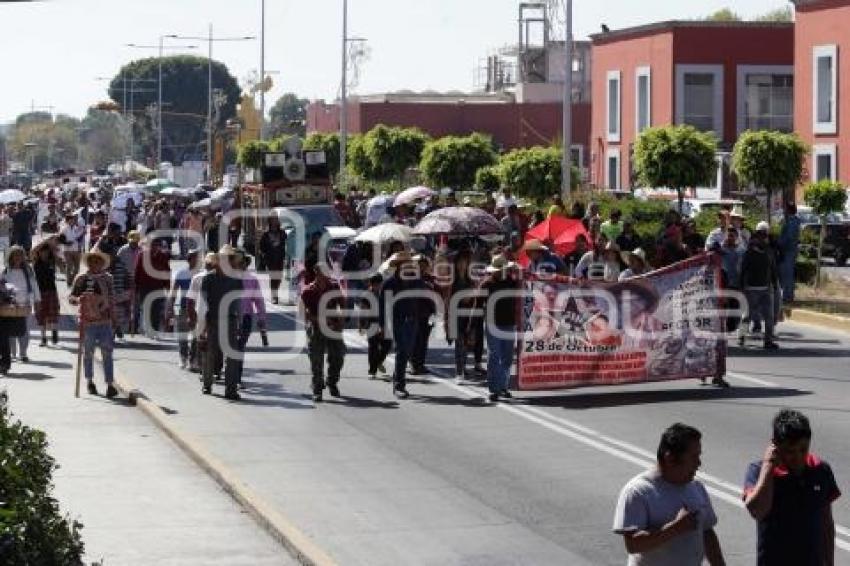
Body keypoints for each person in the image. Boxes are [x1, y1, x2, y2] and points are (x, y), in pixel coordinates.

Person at [613, 423, 725, 566]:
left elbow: (707, 532)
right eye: (693, 457)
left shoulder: (696, 488)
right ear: (670, 458)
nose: (699, 463)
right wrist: (675, 528)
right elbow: (633, 544)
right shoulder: (638, 491)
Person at [743, 409, 840, 566]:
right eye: (790, 451)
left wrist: (829, 562)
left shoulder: (821, 470)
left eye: (803, 449)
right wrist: (768, 468)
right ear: (775, 445)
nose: (798, 457)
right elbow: (757, 510)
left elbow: (826, 523)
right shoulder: (758, 470)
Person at [68, 250, 118, 398]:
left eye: (98, 261)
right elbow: (71, 296)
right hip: (88, 322)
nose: (95, 263)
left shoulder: (108, 279)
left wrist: (114, 317)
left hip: (105, 321)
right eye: (93, 261)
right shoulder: (81, 278)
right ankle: (90, 381)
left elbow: (112, 298)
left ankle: (109, 384)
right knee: (88, 353)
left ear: (102, 263)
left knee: (107, 353)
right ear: (89, 262)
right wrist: (78, 300)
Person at [198, 245, 243, 400]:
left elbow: (238, 302)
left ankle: (230, 389)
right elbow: (202, 302)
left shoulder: (236, 279)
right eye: (224, 258)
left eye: (229, 258)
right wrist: (202, 325)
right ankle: (207, 384)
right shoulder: (208, 278)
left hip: (230, 320)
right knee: (209, 353)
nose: (227, 261)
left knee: (232, 356)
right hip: (212, 320)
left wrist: (239, 322)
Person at [379, 251, 425, 398]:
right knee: (402, 350)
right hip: (396, 320)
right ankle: (399, 384)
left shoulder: (416, 280)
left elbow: (423, 295)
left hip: (413, 320)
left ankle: (397, 377)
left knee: (407, 351)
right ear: (398, 266)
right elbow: (382, 306)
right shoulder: (389, 283)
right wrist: (382, 324)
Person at [300, 261, 346, 402]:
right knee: (316, 359)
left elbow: (342, 304)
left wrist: (341, 320)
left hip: (333, 326)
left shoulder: (333, 287)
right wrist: (319, 321)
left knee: (338, 355)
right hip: (316, 327)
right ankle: (317, 388)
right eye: (323, 272)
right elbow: (305, 313)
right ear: (317, 272)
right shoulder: (308, 291)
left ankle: (332, 382)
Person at [480, 255, 520, 402]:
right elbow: (477, 303)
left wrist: (518, 271)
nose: (499, 272)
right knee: (494, 356)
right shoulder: (487, 284)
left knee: (507, 357)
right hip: (492, 323)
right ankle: (494, 389)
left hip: (509, 323)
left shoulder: (513, 282)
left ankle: (503, 386)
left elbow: (526, 285)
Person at [739, 223, 779, 350]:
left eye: (764, 236)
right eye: (760, 236)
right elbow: (743, 270)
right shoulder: (749, 252)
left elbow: (772, 268)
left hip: (766, 289)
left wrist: (775, 283)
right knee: (747, 316)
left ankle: (768, 341)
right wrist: (741, 286)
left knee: (769, 316)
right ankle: (742, 337)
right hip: (751, 289)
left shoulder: (769, 251)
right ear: (756, 238)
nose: (763, 239)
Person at [447, 250, 484, 383]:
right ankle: (459, 372)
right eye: (460, 262)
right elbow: (449, 298)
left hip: (470, 314)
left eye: (465, 262)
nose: (462, 265)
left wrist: (473, 294)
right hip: (456, 313)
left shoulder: (471, 279)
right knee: (459, 342)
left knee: (468, 342)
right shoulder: (453, 279)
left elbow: (477, 294)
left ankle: (462, 367)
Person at [235, 250, 267, 387]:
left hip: (245, 318)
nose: (240, 264)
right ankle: (226, 371)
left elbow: (259, 301)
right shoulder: (226, 277)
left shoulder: (252, 280)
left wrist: (261, 318)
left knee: (239, 348)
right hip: (228, 317)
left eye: (242, 262)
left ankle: (236, 377)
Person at [3, 246, 40, 364]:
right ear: (11, 257)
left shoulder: (28, 271)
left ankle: (23, 353)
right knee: (10, 331)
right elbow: (2, 288)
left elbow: (35, 286)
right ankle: (12, 354)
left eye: (20, 255)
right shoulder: (6, 272)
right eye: (16, 255)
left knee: (24, 330)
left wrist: (37, 300)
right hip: (10, 306)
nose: (18, 258)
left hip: (25, 305)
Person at [167, 249, 203, 369]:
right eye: (196, 258)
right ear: (190, 259)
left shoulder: (201, 274)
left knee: (195, 335)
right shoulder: (182, 273)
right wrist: (170, 307)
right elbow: (174, 291)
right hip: (183, 307)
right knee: (182, 334)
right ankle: (183, 357)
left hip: (197, 308)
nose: (199, 260)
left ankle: (193, 360)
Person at [410, 254, 436, 375]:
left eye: (423, 265)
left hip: (427, 313)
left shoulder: (429, 279)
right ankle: (413, 364)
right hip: (413, 313)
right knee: (414, 340)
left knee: (423, 340)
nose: (421, 267)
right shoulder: (410, 279)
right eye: (419, 265)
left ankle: (420, 364)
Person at [32, 240, 61, 346]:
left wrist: (51, 246)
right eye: (42, 252)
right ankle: (43, 338)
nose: (45, 253)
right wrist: (45, 242)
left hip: (52, 290)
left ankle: (54, 333)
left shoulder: (52, 261)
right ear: (39, 253)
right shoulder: (35, 262)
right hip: (39, 292)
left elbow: (58, 255)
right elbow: (33, 251)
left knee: (53, 313)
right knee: (40, 315)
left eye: (46, 252)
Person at [364, 274, 390, 380]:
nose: (378, 286)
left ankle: (379, 362)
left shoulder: (385, 294)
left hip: (384, 323)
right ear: (371, 284)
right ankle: (372, 370)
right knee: (373, 347)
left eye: (379, 284)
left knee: (387, 345)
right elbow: (364, 311)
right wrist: (362, 325)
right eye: (375, 284)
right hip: (372, 323)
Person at [259, 216, 287, 305]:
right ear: (270, 222)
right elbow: (261, 246)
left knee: (279, 277)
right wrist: (264, 255)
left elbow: (286, 243)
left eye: (276, 220)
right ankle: (274, 296)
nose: (275, 222)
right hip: (270, 259)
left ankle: (275, 292)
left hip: (280, 258)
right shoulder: (266, 234)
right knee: (273, 277)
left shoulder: (282, 233)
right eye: (273, 220)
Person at [777, 203, 801, 303]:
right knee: (786, 274)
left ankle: (788, 297)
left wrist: (779, 243)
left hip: (788, 251)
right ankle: (787, 295)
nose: (784, 211)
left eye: (785, 209)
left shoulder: (792, 221)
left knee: (787, 274)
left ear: (788, 210)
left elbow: (789, 237)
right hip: (789, 250)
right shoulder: (793, 220)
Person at [60, 213, 85, 282]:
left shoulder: (77, 228)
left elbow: (80, 238)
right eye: (70, 220)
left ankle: (73, 279)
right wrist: (66, 243)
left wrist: (82, 233)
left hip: (76, 249)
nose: (72, 221)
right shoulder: (63, 229)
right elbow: (60, 239)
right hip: (67, 250)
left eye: (73, 220)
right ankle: (69, 280)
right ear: (67, 221)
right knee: (69, 266)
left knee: (77, 268)